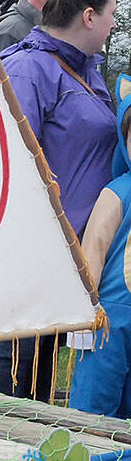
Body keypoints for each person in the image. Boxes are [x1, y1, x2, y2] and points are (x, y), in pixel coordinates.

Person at [0, 0, 118, 400]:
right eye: (111, 15)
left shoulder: (88, 69)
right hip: (39, 244)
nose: (113, 26)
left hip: (75, 244)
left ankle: (25, 452)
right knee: (16, 352)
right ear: (88, 16)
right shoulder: (27, 69)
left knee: (38, 353)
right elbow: (11, 162)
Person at [71, 75, 131, 416]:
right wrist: (85, 313)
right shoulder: (117, 194)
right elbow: (92, 251)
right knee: (95, 401)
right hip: (109, 319)